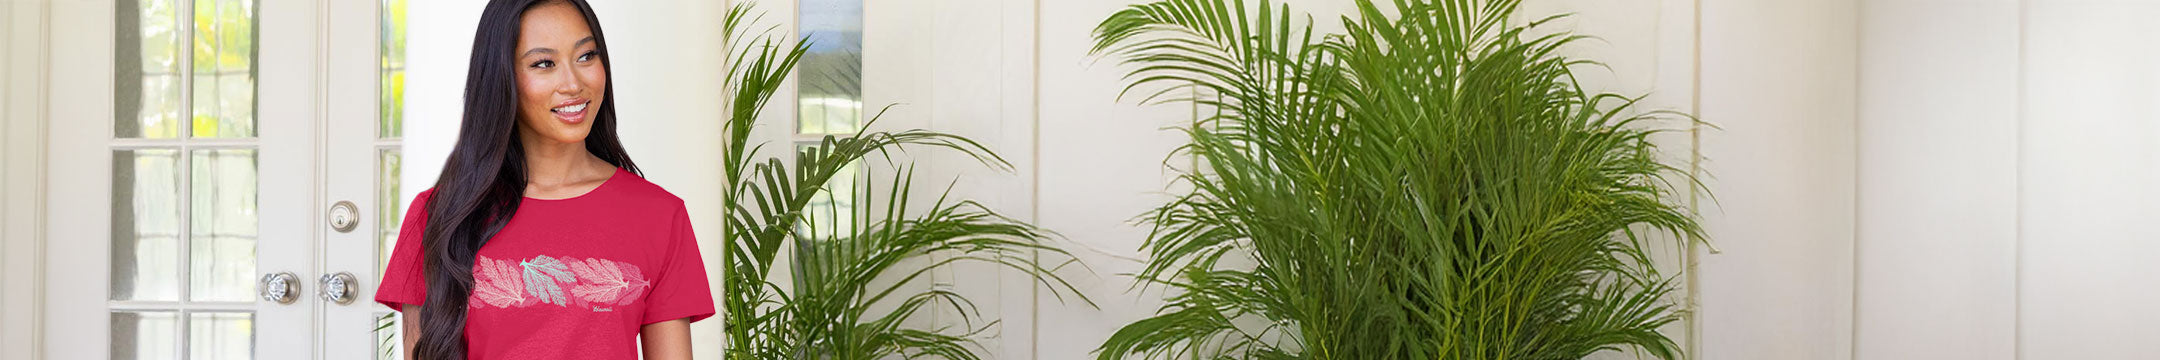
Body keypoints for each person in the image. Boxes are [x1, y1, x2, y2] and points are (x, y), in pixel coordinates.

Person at [374, 0, 711, 359]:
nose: (573, 83)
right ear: (501, 77)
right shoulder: (439, 215)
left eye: (586, 56)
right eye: (544, 63)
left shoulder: (658, 215)